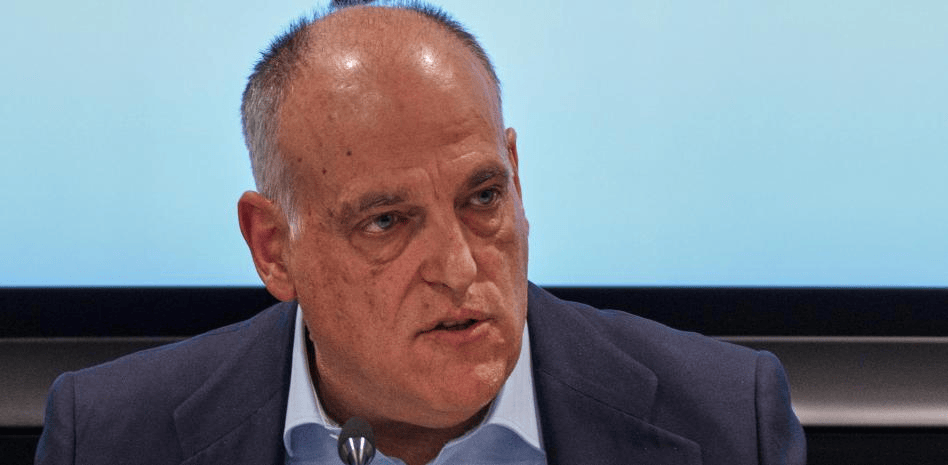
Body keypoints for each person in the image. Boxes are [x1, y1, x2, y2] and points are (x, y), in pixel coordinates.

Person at [35, 1, 806, 464]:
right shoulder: (108, 436)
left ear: (516, 175)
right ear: (273, 247)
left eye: (483, 197)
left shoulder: (727, 422)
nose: (460, 266)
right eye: (386, 221)